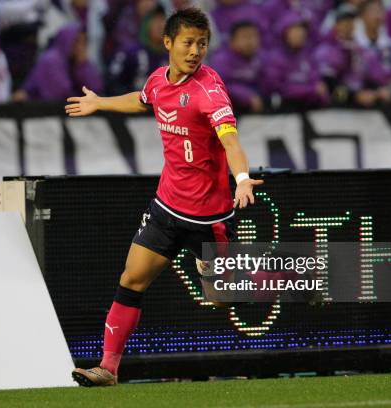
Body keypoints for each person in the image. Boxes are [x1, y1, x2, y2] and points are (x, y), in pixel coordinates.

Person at [65, 7, 263, 387]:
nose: (195, 51)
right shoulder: (159, 80)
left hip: (209, 218)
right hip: (167, 208)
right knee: (132, 279)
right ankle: (108, 369)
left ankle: (286, 278)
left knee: (223, 299)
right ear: (168, 42)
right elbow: (143, 100)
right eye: (188, 42)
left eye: (202, 44)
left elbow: (231, 141)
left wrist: (240, 177)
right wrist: (100, 102)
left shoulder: (210, 91)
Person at [315, 4, 391, 106]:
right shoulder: (326, 50)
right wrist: (354, 96)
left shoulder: (360, 50)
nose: (349, 25)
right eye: (345, 21)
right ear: (336, 25)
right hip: (336, 106)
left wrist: (378, 90)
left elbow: (366, 78)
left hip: (361, 105)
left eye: (352, 21)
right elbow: (330, 88)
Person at [15, 22, 103, 102]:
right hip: (36, 113)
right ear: (67, 40)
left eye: (84, 42)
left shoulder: (76, 62)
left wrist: (83, 66)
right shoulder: (51, 60)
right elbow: (60, 95)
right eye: (77, 41)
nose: (81, 47)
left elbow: (96, 90)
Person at [266, 11, 328, 108]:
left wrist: (320, 93)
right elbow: (278, 89)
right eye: (296, 30)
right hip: (283, 110)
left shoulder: (308, 55)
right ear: (285, 32)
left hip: (309, 106)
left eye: (302, 30)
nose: (301, 33)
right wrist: (310, 90)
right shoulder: (275, 58)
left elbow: (317, 83)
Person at [107, 5, 167, 95]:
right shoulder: (129, 52)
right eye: (155, 20)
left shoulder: (170, 56)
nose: (160, 25)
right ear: (146, 24)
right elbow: (112, 82)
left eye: (162, 19)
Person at [210, 20, 266, 111]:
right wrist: (247, 96)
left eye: (253, 36)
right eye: (245, 37)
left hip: (256, 104)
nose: (250, 42)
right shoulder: (221, 60)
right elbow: (220, 86)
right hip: (228, 108)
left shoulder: (261, 58)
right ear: (232, 41)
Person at [355, 0, 391, 85]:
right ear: (362, 15)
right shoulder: (354, 44)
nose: (377, 15)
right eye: (372, 11)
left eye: (380, 11)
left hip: (390, 93)